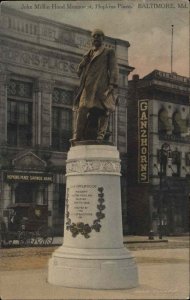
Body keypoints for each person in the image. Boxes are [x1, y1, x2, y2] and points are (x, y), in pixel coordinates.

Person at [72, 29, 119, 141]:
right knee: (82, 109)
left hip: (101, 86)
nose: (96, 38)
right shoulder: (88, 53)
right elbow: (80, 70)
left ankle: (100, 135)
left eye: (99, 36)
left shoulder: (108, 51)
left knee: (103, 110)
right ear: (92, 39)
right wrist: (80, 66)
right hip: (87, 87)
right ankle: (77, 136)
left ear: (103, 38)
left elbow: (114, 69)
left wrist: (112, 84)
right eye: (94, 36)